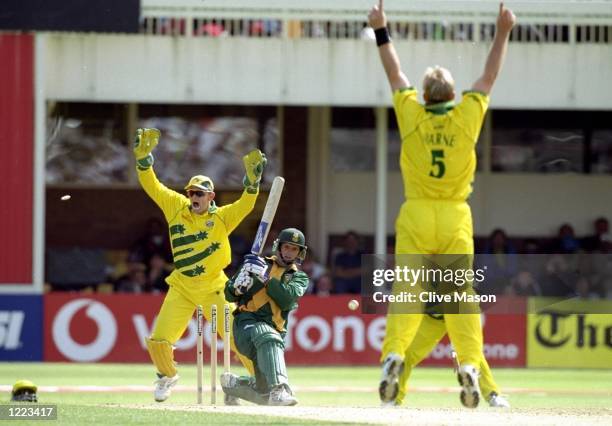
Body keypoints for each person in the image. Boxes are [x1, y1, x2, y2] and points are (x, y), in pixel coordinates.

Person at [367, 0, 516, 408]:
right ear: (452, 93)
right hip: (454, 214)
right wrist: (502, 31)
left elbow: (394, 71)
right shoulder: (467, 113)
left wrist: (381, 29)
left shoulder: (411, 112)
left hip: (415, 211)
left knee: (407, 292)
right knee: (460, 295)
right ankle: (469, 363)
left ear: (426, 94)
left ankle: (394, 354)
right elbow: (489, 75)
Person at [133, 127, 266, 403]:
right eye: (192, 192)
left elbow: (246, 205)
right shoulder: (176, 207)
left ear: (211, 197)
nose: (194, 196)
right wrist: (144, 162)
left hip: (214, 288)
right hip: (182, 286)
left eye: (200, 193)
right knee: (159, 341)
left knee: (237, 338)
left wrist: (251, 185)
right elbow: (153, 186)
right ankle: (167, 376)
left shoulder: (222, 218)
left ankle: (262, 383)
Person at [221, 228, 309, 406]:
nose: (289, 252)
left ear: (300, 253)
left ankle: (233, 386)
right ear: (279, 247)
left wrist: (265, 278)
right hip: (246, 326)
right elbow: (229, 295)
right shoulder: (257, 264)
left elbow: (286, 300)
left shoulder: (299, 277)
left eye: (294, 249)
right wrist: (237, 287)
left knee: (262, 393)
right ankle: (280, 390)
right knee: (266, 333)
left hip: (274, 336)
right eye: (287, 247)